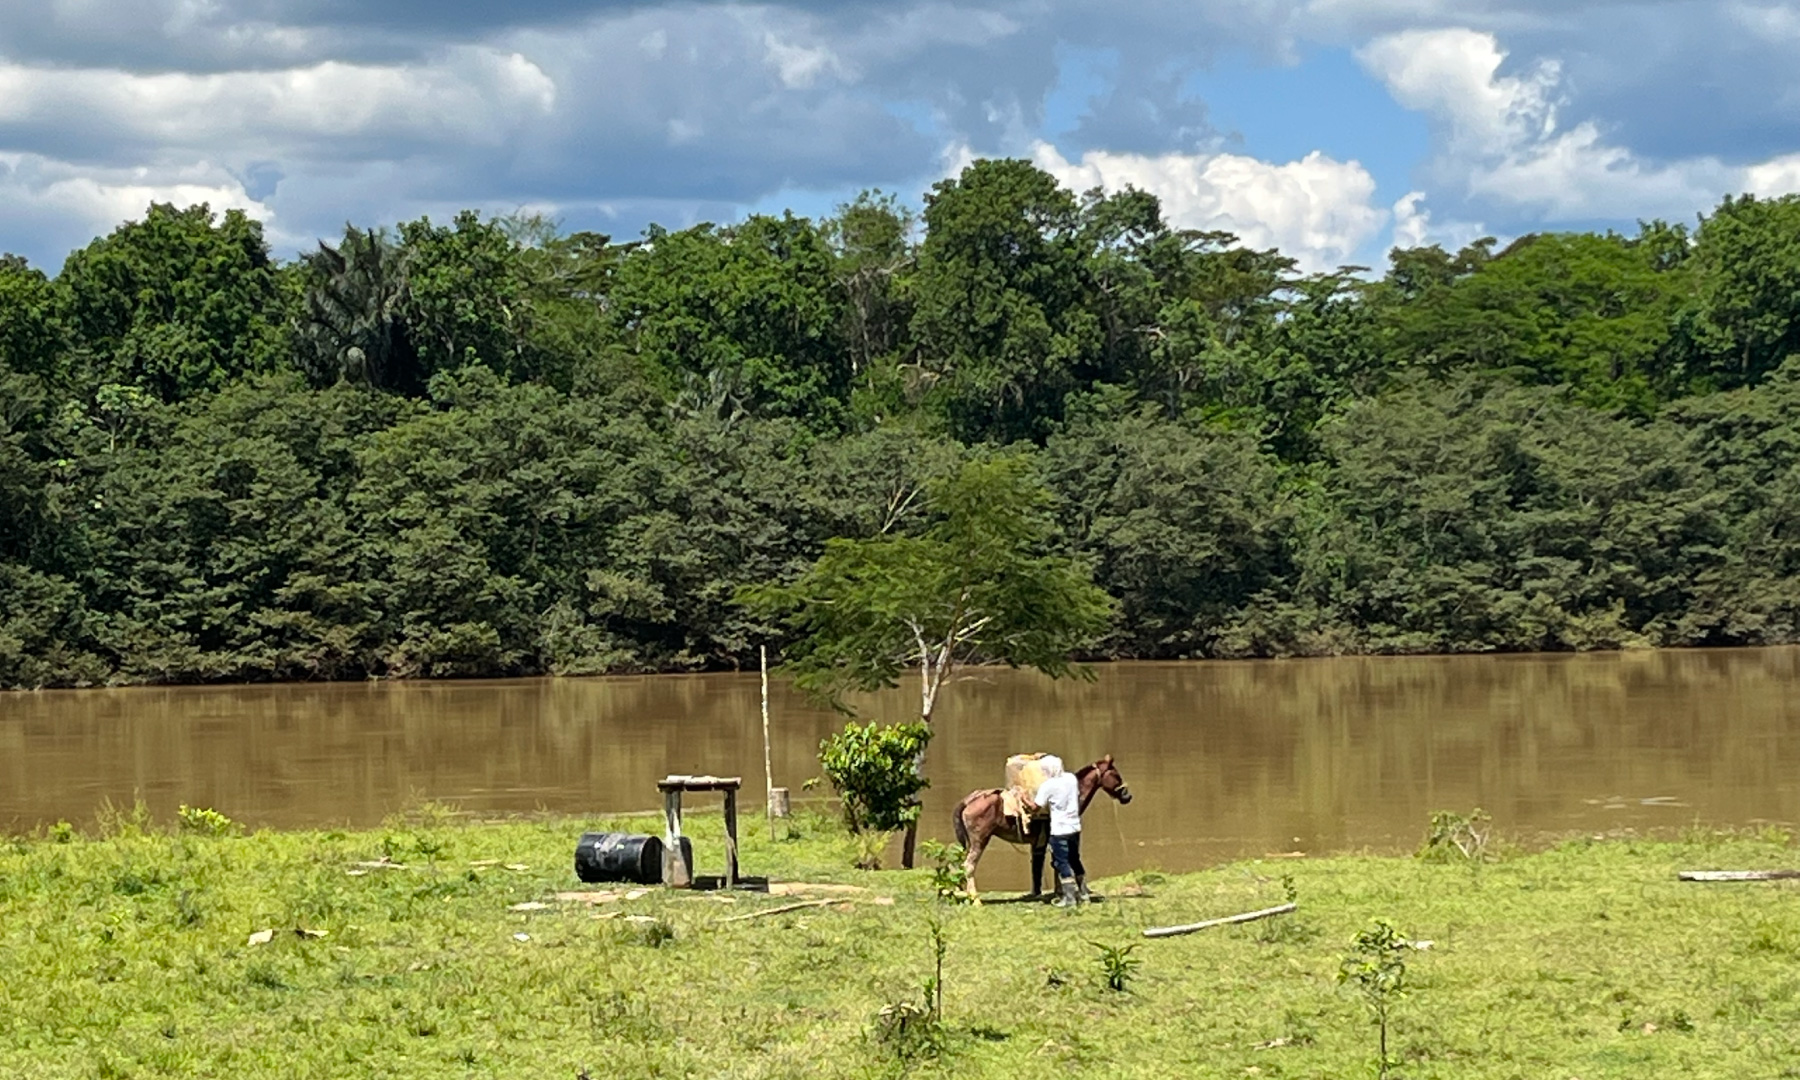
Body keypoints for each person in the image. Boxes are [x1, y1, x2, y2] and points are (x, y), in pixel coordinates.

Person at [1034, 764, 1085, 906]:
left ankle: (1069, 898)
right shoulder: (1071, 778)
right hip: (1075, 828)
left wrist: (1021, 798)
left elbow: (1036, 806)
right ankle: (1083, 893)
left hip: (1059, 831)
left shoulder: (1048, 785)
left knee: (1061, 862)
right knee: (1075, 859)